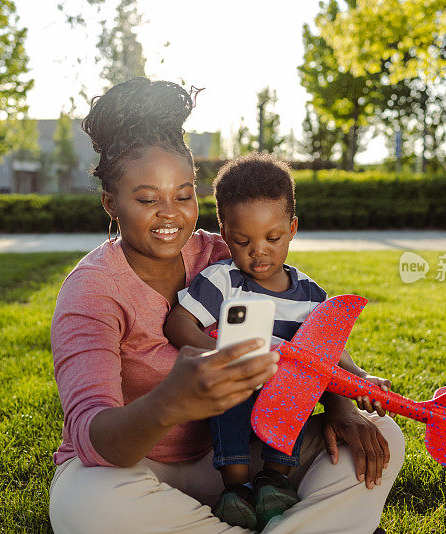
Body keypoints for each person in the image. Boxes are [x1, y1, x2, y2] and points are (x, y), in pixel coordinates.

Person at [48, 77, 405, 534]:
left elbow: (305, 330)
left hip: (240, 458)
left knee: (383, 438)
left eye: (183, 194)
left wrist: (341, 407)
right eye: (146, 199)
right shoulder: (91, 291)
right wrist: (169, 404)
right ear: (110, 203)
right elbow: (93, 436)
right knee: (84, 502)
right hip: (138, 471)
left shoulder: (223, 255)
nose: (171, 214)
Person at [163, 153, 394, 531]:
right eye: (242, 241)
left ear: (293, 228)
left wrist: (361, 377)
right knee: (232, 398)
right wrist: (222, 355)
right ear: (225, 234)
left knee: (297, 393)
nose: (259, 252)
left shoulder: (309, 294)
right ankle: (235, 490)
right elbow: (179, 322)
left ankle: (274, 482)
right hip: (238, 388)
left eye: (273, 238)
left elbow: (329, 351)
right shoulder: (224, 280)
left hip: (285, 397)